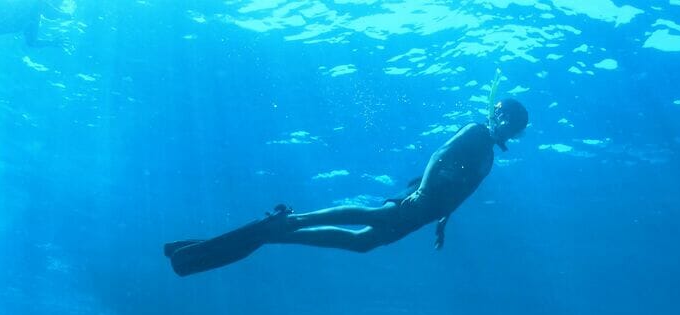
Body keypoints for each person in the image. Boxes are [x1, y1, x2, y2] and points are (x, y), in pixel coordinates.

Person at [165, 98, 529, 276]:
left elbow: (464, 191)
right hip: (420, 200)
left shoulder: (489, 157)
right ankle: (292, 221)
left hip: (429, 212)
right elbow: (438, 154)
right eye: (510, 122)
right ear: (502, 117)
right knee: (372, 214)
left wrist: (443, 222)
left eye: (515, 128)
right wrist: (423, 192)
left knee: (362, 243)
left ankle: (282, 232)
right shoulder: (476, 132)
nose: (510, 130)